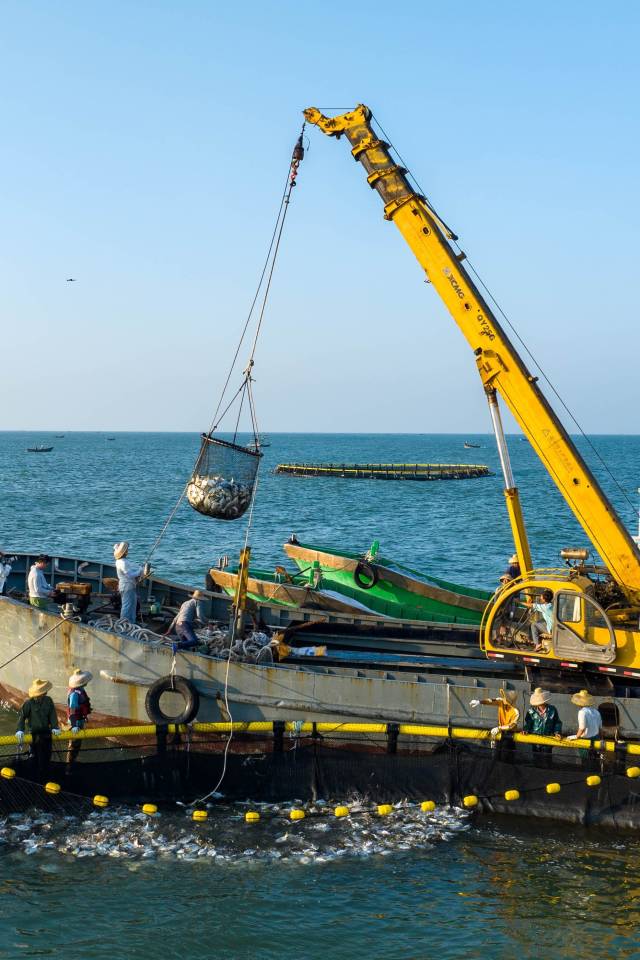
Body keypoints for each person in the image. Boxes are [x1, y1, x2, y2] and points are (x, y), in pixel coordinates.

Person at [15, 678, 60, 780]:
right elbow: (22, 716)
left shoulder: (48, 701)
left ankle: (44, 775)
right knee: (34, 756)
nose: (45, 693)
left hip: (46, 733)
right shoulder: (28, 703)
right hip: (34, 735)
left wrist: (55, 727)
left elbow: (52, 714)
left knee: (46, 756)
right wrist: (20, 729)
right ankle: (35, 776)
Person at [469, 689, 520, 757]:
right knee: (496, 754)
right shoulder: (501, 701)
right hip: (500, 732)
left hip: (510, 735)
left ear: (511, 702)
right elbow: (491, 700)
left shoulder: (516, 711)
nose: (504, 699)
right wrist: (479, 702)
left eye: (507, 699)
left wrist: (499, 728)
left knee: (507, 755)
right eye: (505, 697)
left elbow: (512, 725)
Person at [522, 687, 562, 763]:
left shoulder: (552, 710)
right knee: (536, 758)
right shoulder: (531, 711)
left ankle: (547, 771)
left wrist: (557, 732)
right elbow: (529, 723)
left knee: (547, 759)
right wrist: (525, 729)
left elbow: (557, 722)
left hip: (548, 739)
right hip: (535, 739)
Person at [567, 689, 602, 768]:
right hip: (596, 738)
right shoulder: (596, 712)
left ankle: (586, 773)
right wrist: (600, 739)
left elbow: (582, 728)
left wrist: (576, 736)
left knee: (585, 760)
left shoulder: (582, 712)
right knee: (595, 759)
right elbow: (600, 728)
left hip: (585, 740)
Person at [66, 669, 92, 770]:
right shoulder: (74, 694)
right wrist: (74, 725)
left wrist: (85, 716)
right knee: (73, 745)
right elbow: (72, 709)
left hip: (80, 720)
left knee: (77, 744)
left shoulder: (80, 690)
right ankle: (69, 767)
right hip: (75, 722)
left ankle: (73, 762)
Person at [113, 541, 145, 623]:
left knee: (132, 606)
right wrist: (140, 570)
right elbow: (130, 575)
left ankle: (130, 622)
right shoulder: (123, 563)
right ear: (124, 552)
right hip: (127, 587)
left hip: (127, 586)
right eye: (127, 550)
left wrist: (138, 569)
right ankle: (124, 623)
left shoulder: (120, 561)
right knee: (127, 606)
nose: (128, 551)